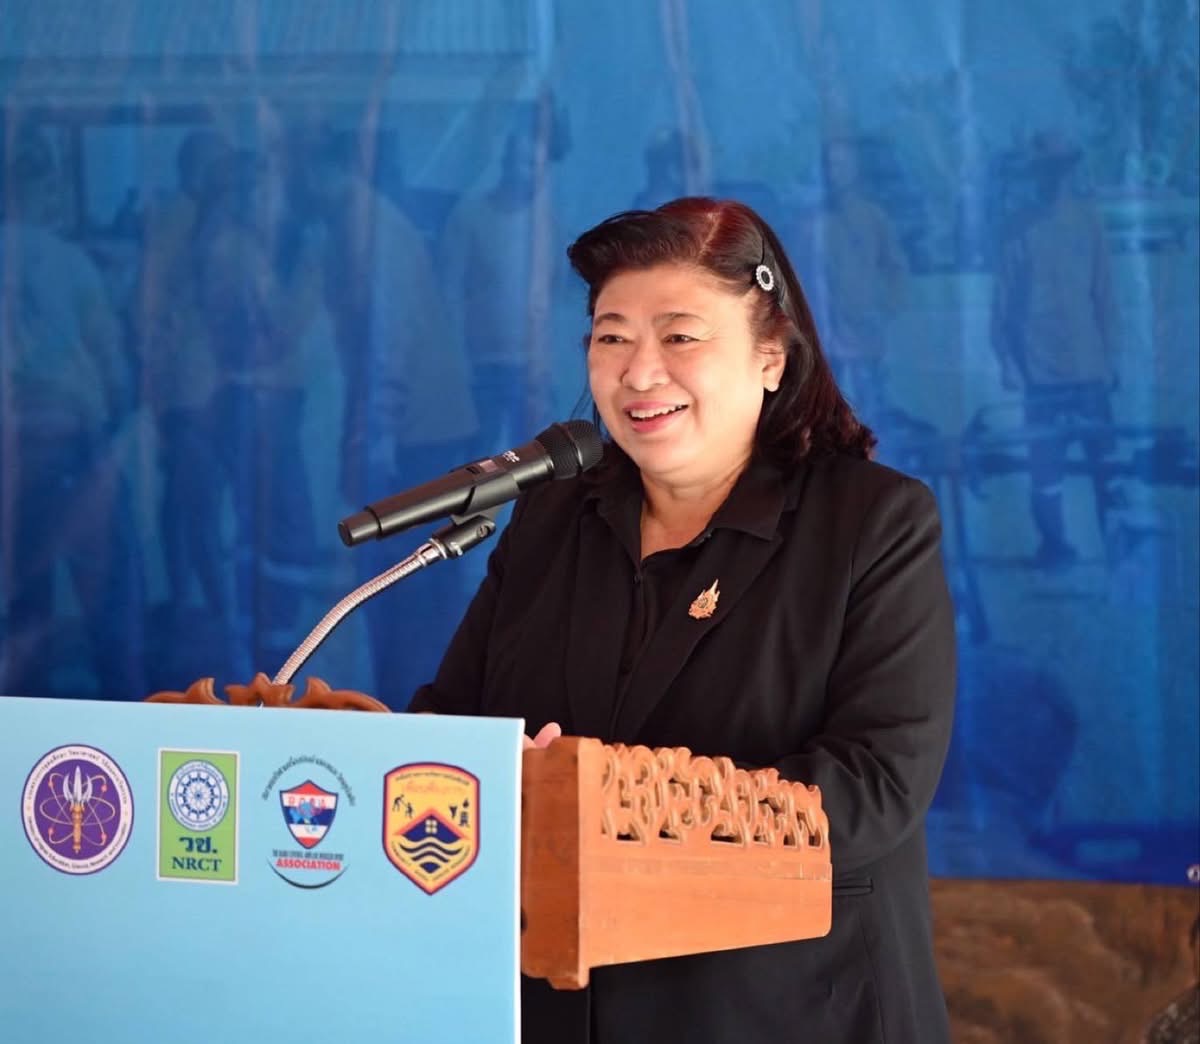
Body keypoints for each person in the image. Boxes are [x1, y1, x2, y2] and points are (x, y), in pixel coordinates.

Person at [411, 197, 957, 1043]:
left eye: (680, 336)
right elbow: (451, 722)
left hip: (781, 1005)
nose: (639, 373)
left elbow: (874, 786)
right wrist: (498, 776)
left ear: (771, 357)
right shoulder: (553, 515)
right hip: (560, 1003)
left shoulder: (871, 524)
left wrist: (603, 814)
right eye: (612, 337)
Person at [0, 131, 145, 699]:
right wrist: (117, 417)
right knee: (108, 592)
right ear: (41, 190)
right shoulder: (69, 262)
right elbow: (108, 356)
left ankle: (20, 714)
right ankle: (127, 712)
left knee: (23, 594)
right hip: (68, 438)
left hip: (11, 447)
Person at [990, 131, 1122, 571]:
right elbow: (1002, 306)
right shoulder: (1017, 230)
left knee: (1106, 464)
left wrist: (1111, 358)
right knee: (1046, 471)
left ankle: (1118, 544)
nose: (1055, 179)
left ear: (1071, 172)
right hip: (1040, 373)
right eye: (1047, 171)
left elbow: (1104, 296)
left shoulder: (1089, 222)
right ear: (1037, 175)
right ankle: (1055, 547)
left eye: (1062, 170)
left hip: (1089, 371)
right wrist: (1008, 363)